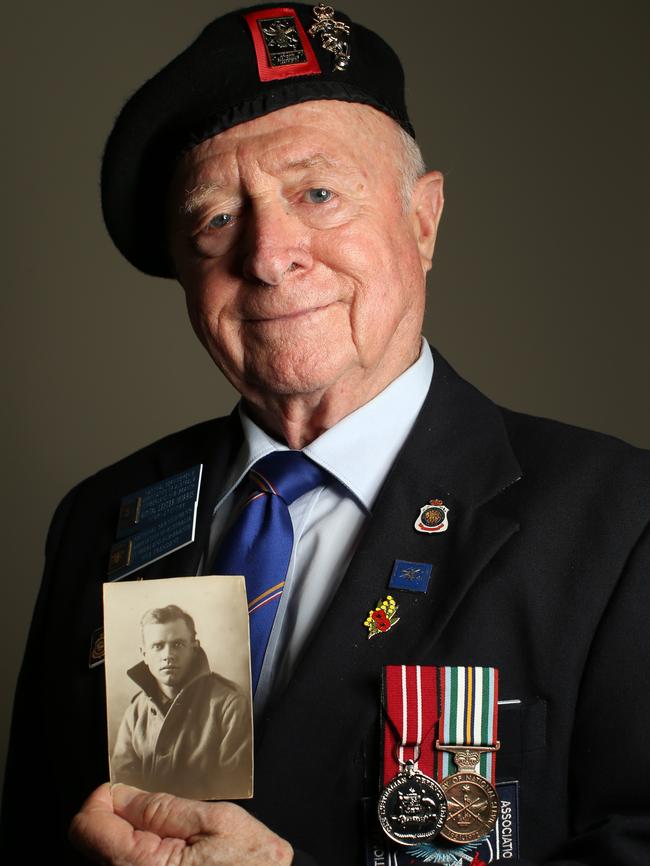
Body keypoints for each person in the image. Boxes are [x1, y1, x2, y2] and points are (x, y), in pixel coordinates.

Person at [2, 4, 649, 866]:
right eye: (219, 218)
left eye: (317, 193)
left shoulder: (619, 523)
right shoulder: (105, 520)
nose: (269, 255)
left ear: (423, 220)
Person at [111, 605, 251, 799]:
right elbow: (122, 789)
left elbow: (233, 790)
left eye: (177, 644)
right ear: (144, 654)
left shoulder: (230, 705)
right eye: (157, 646)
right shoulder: (135, 711)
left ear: (195, 647)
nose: (167, 655)